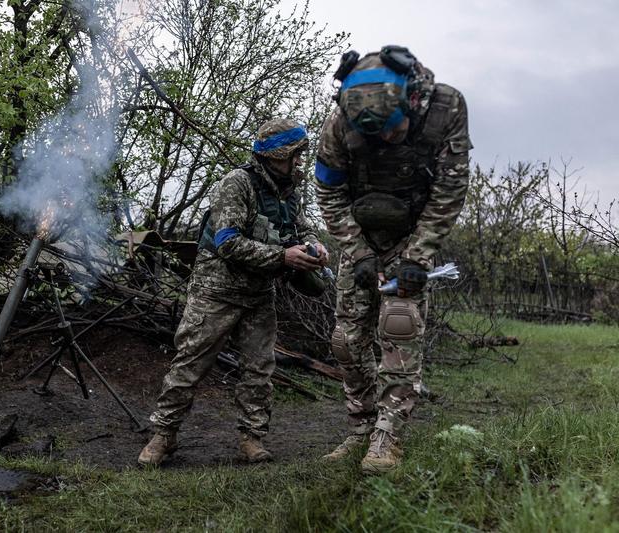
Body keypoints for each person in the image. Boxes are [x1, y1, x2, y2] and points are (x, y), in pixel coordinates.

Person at [315, 46, 472, 473]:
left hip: (412, 235)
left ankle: (389, 435)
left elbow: (449, 191)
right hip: (360, 238)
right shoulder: (339, 123)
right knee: (346, 341)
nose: (384, 140)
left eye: (392, 130)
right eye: (375, 135)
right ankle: (362, 426)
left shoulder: (445, 108)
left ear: (412, 103)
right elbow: (328, 191)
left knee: (398, 324)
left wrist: (418, 257)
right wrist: (359, 252)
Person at [138, 119, 328, 466]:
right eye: (295, 156)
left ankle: (251, 438)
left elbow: (302, 224)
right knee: (189, 366)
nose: (299, 163)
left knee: (259, 371)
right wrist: (282, 256)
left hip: (258, 294)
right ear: (277, 155)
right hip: (216, 292)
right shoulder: (237, 183)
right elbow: (227, 242)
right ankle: (163, 435)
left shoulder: (287, 190)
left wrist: (313, 244)